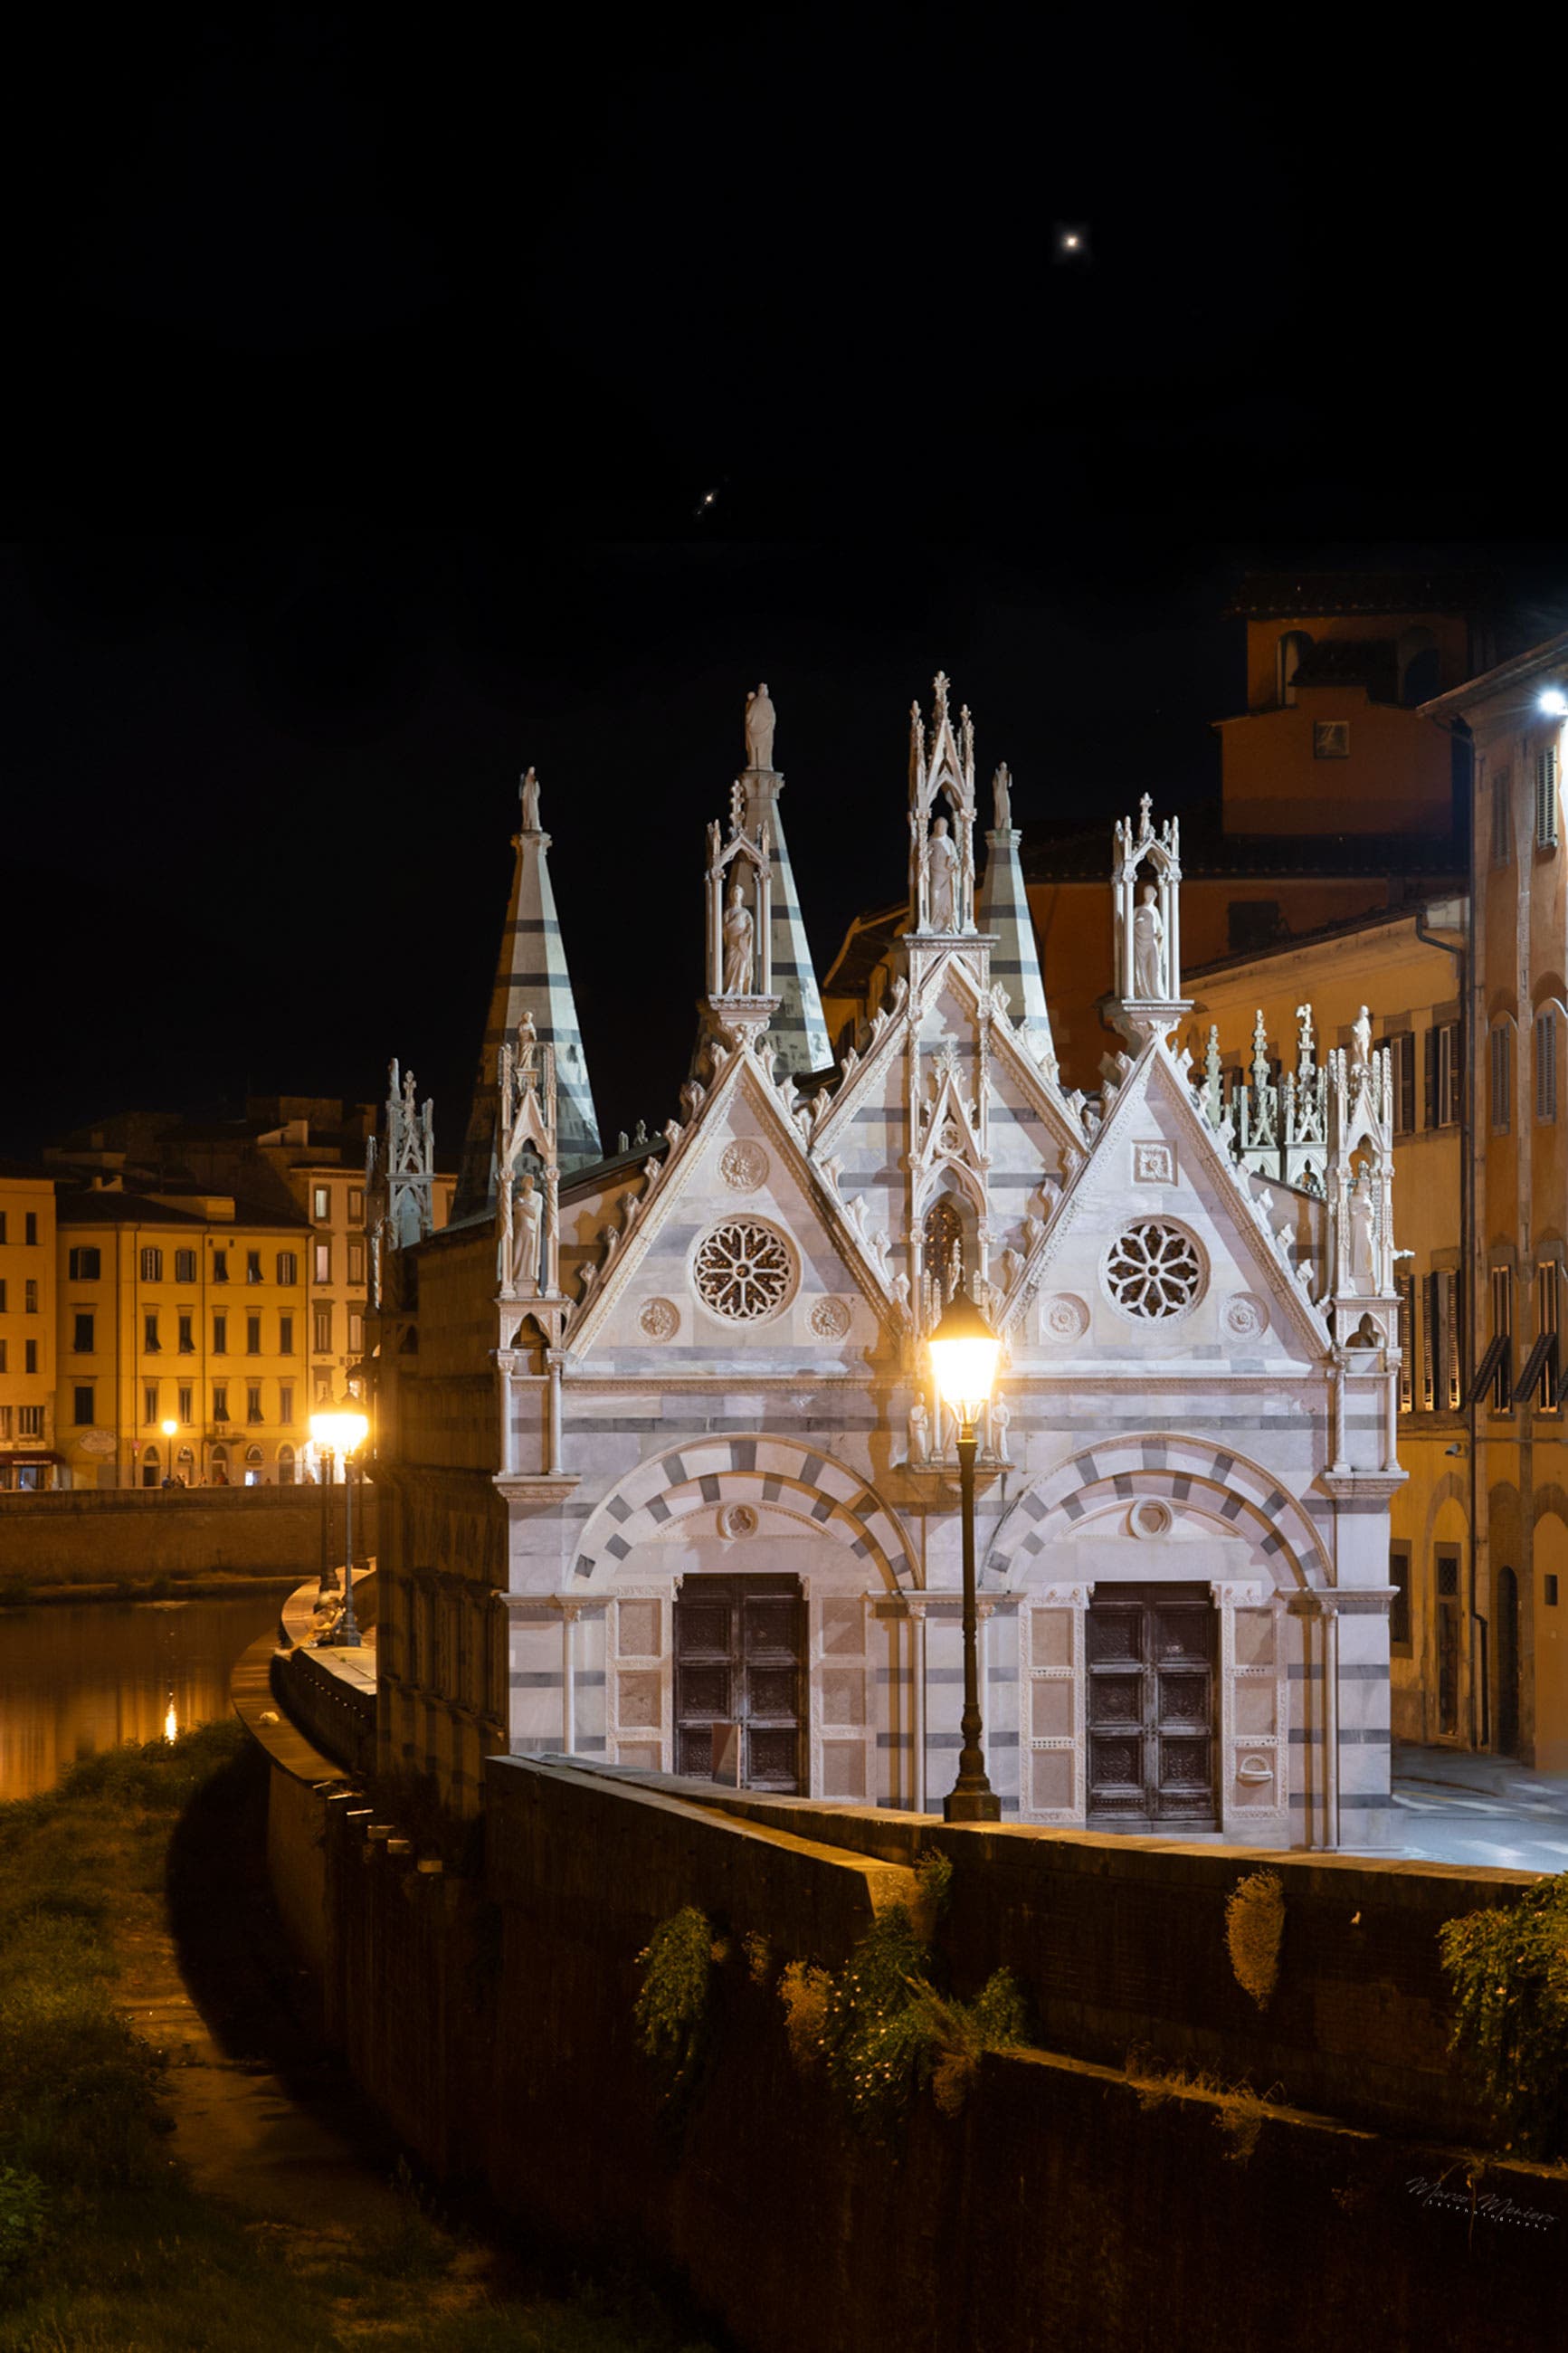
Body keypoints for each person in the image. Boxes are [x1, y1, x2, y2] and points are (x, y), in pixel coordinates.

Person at [722, 876, 755, 992]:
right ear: (731, 896)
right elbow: (724, 929)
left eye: (738, 893)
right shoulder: (728, 912)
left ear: (741, 896)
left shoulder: (745, 913)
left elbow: (750, 927)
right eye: (734, 893)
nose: (736, 896)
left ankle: (739, 988)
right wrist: (734, 922)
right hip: (732, 943)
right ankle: (730, 988)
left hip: (742, 944)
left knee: (743, 965)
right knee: (730, 965)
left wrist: (745, 935)